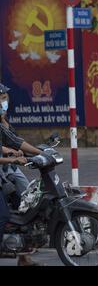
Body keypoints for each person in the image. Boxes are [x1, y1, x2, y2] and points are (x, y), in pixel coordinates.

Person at [0, 84, 42, 266]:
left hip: (6, 171)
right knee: (3, 215)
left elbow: (15, 141)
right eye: (1, 98)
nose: (4, 101)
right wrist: (11, 157)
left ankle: (24, 258)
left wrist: (40, 153)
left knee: (25, 207)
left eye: (4, 98)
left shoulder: (3, 122)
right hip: (4, 170)